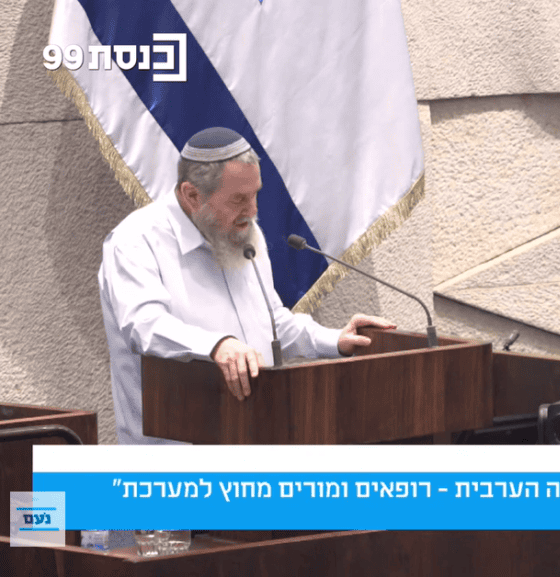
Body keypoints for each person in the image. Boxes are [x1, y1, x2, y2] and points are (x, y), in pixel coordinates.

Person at [99, 127, 395, 444]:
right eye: (239, 199)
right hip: (173, 452)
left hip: (254, 439)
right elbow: (144, 326)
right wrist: (217, 346)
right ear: (192, 195)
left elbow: (272, 324)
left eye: (255, 194)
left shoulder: (244, 231)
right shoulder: (135, 241)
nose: (253, 211)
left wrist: (336, 340)